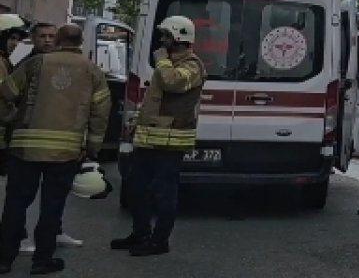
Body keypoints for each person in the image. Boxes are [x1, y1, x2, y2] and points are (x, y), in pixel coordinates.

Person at [0, 24, 110, 275]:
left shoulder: (36, 64)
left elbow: (6, 92)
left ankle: (4, 259)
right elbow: (100, 112)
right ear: (80, 42)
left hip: (25, 147)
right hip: (65, 152)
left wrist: (12, 117)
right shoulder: (92, 70)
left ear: (59, 39)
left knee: (16, 203)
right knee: (53, 205)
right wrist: (93, 147)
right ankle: (42, 260)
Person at [111, 16, 205, 258]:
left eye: (166, 36)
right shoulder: (168, 63)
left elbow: (173, 83)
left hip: (170, 144)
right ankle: (140, 233)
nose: (162, 41)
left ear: (179, 37)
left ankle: (159, 241)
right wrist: (137, 122)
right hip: (149, 139)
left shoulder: (193, 65)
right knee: (135, 187)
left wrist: (162, 60)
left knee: (164, 194)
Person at [15, 24, 84, 254]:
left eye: (51, 36)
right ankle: (21, 237)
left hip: (60, 141)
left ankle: (55, 231)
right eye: (42, 36)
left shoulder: (69, 63)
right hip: (28, 140)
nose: (47, 40)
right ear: (33, 39)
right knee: (23, 194)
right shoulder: (28, 64)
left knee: (55, 196)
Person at [0, 15, 28, 178]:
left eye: (17, 40)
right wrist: (16, 115)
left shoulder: (5, 61)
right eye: (11, 38)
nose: (16, 44)